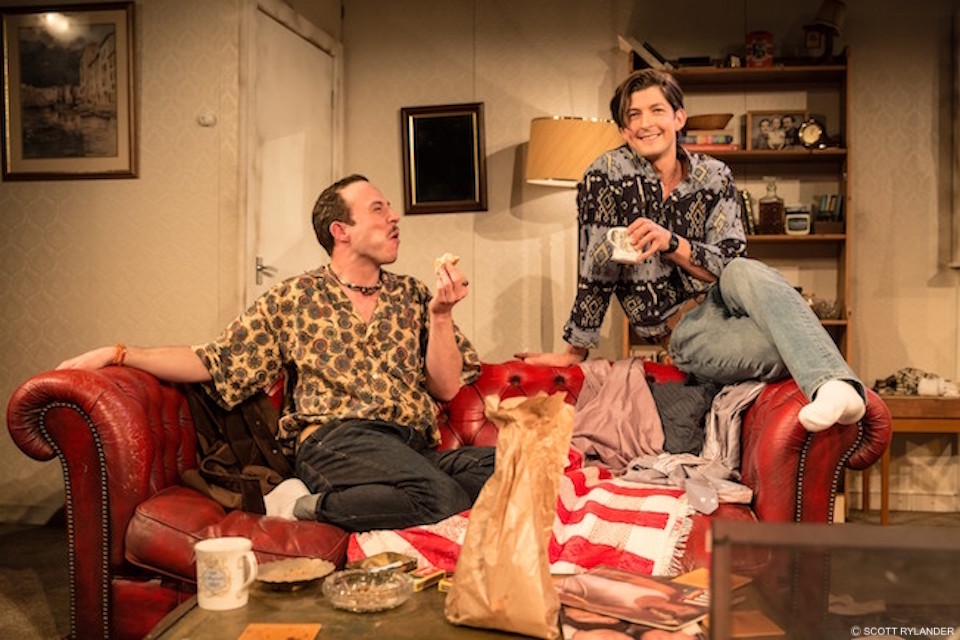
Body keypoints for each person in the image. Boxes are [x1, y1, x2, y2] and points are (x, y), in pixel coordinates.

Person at [57, 174, 496, 532]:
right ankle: (304, 506)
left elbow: (446, 387)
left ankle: (391, 497)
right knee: (441, 495)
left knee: (509, 467)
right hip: (335, 440)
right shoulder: (295, 298)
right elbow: (214, 359)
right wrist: (119, 353)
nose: (394, 217)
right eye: (378, 209)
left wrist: (441, 314)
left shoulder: (413, 295)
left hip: (409, 446)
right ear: (340, 231)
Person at [517, 69, 865, 433]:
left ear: (679, 117)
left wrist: (671, 243)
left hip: (732, 295)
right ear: (624, 130)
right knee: (787, 344)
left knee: (744, 269)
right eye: (633, 115)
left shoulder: (715, 175)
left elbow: (729, 261)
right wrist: (575, 351)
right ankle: (836, 385)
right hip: (684, 328)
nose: (645, 123)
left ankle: (836, 389)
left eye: (656, 110)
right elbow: (596, 268)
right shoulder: (605, 175)